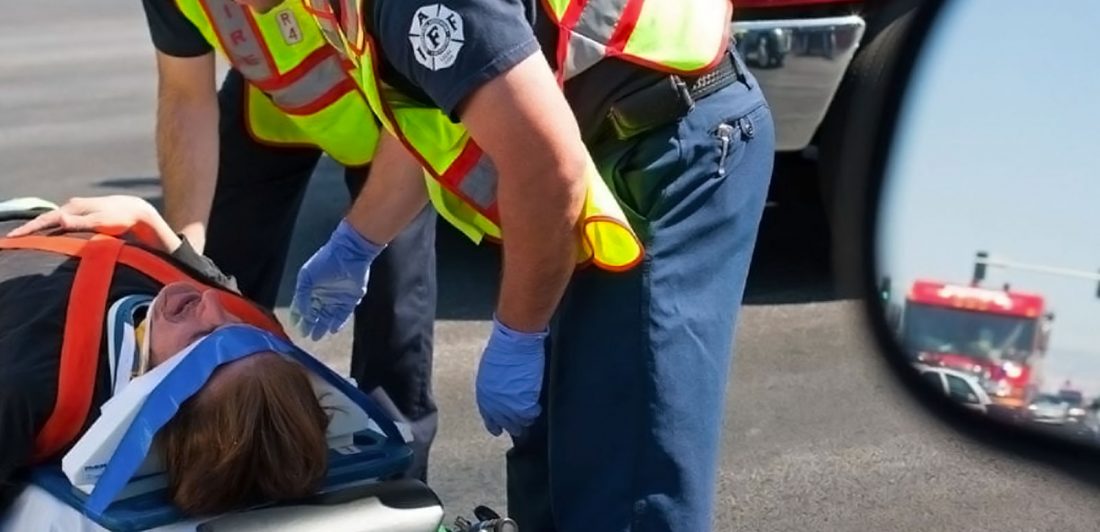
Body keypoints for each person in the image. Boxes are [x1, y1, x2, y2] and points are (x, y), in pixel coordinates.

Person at [277, 0, 775, 529]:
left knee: (622, 484)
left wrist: (519, 333)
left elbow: (546, 165)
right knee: (552, 472)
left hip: (672, 152)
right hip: (610, 155)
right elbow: (449, 112)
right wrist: (356, 241)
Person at [139, 0, 439, 480]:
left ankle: (398, 482)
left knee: (394, 311)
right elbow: (183, 94)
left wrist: (359, 241)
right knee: (211, 289)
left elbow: (431, 117)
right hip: (273, 102)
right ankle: (220, 460)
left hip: (398, 123)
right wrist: (185, 248)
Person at [0, 196, 329, 516]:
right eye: (239, 330)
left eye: (204, 344)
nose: (212, 303)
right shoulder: (252, 322)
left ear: (157, 413)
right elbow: (212, 281)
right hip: (48, 216)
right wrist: (148, 220)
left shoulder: (29, 391)